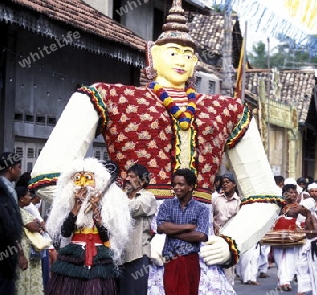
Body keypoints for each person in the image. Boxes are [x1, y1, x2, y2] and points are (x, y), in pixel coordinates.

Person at [30, 1, 282, 293]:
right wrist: (112, 209)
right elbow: (48, 175)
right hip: (131, 237)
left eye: (189, 54)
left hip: (200, 243)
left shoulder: (228, 110)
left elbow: (265, 196)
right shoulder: (109, 97)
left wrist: (232, 241)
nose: (183, 61)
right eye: (173, 52)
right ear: (152, 54)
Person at [45, 158, 132, 294]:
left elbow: (107, 236)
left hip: (98, 255)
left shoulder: (106, 207)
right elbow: (65, 232)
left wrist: (99, 222)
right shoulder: (69, 205)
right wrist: (75, 207)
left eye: (87, 178)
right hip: (73, 255)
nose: (83, 184)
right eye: (78, 179)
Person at [157, 168, 209, 295]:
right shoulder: (167, 204)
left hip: (190, 260)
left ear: (190, 187)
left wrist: (172, 230)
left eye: (181, 184)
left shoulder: (201, 209)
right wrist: (187, 227)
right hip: (171, 259)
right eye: (174, 184)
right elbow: (161, 227)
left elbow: (201, 235)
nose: (176, 187)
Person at [119, 163, 156, 295]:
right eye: (127, 176)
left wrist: (116, 201)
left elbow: (134, 208)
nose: (127, 179)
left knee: (135, 291)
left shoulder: (147, 197)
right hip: (119, 255)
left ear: (142, 180)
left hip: (138, 255)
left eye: (132, 176)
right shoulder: (121, 197)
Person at [0, 152, 24, 295]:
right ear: (11, 169)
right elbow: (10, 227)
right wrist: (19, 252)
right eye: (19, 167)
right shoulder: (7, 190)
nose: (20, 171)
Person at [212, 172, 240, 285]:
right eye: (223, 182)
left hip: (230, 237)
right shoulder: (216, 199)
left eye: (227, 182)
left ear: (234, 184)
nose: (225, 185)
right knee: (215, 264)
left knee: (228, 265)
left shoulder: (239, 201)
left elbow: (239, 220)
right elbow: (210, 215)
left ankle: (228, 288)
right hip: (216, 235)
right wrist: (214, 225)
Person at [15, 186, 44, 295]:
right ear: (21, 198)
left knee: (30, 276)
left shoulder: (22, 210)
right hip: (24, 250)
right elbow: (34, 227)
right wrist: (37, 224)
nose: (30, 197)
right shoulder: (19, 211)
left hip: (29, 249)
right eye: (28, 195)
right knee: (25, 277)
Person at [296, 197, 317, 295]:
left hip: (315, 244)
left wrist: (303, 231)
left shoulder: (312, 217)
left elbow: (316, 231)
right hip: (309, 244)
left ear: (307, 208)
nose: (300, 209)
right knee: (302, 266)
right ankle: (304, 289)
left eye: (302, 207)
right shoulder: (308, 217)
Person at [272, 183, 301, 292]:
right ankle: (282, 280)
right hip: (277, 236)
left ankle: (286, 281)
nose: (293, 195)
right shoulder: (278, 206)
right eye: (290, 192)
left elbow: (303, 221)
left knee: (289, 258)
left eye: (295, 192)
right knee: (279, 258)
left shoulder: (299, 207)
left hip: (291, 237)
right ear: (285, 194)